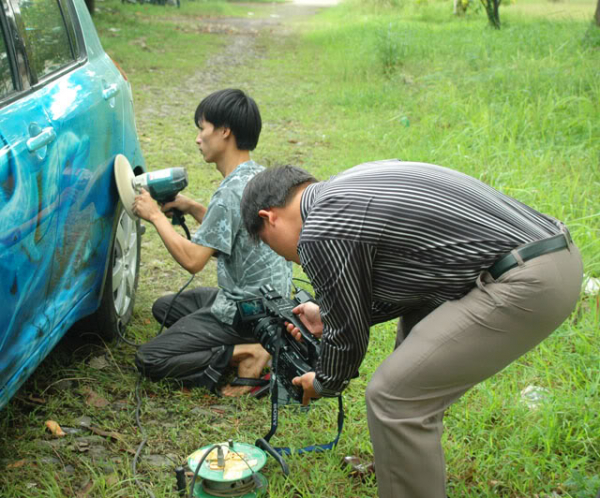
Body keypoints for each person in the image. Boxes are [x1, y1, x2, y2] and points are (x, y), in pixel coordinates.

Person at [240, 160, 583, 497]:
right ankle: (404, 466)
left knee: (394, 398)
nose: (287, 257)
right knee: (409, 357)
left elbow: (347, 338)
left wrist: (322, 382)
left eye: (271, 244)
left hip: (527, 281)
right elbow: (409, 285)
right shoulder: (348, 187)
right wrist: (327, 315)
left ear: (268, 218)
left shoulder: (320, 228)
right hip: (552, 254)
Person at [133, 89, 292, 397]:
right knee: (164, 308)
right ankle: (255, 343)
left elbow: (193, 260)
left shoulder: (230, 192)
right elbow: (234, 231)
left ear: (224, 131)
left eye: (202, 128)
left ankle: (247, 352)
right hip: (268, 308)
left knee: (150, 358)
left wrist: (156, 216)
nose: (198, 138)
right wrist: (192, 207)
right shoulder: (257, 178)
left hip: (244, 313)